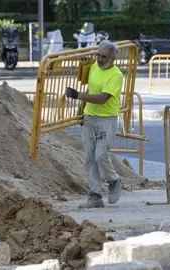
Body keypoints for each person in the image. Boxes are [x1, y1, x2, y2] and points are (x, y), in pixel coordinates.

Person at [66, 40, 123, 209]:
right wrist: (81, 113)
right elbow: (91, 91)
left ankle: (114, 180)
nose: (99, 59)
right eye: (98, 54)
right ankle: (95, 195)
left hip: (107, 119)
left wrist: (78, 96)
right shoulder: (92, 68)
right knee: (89, 158)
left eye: (103, 56)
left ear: (112, 59)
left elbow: (102, 98)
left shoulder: (116, 75)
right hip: (90, 118)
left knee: (100, 155)